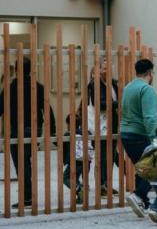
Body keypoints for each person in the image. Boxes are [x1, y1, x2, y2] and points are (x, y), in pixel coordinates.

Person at [0, 57, 55, 209]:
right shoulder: (38, 87)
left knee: (21, 164)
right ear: (31, 70)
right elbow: (48, 110)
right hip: (34, 130)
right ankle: (28, 196)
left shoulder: (11, 88)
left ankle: (27, 197)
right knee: (26, 162)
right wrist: (53, 133)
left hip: (17, 131)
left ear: (17, 69)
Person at [120, 58, 157, 217]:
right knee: (154, 166)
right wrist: (155, 139)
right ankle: (138, 195)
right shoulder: (146, 89)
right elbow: (149, 117)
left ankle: (143, 203)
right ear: (150, 73)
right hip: (140, 134)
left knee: (142, 167)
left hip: (126, 135)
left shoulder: (128, 87)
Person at [77, 61, 120, 196]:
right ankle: (100, 185)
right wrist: (117, 103)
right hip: (99, 126)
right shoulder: (94, 84)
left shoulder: (113, 83)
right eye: (104, 68)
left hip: (111, 125)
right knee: (102, 156)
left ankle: (105, 184)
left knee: (110, 156)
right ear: (99, 70)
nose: (107, 70)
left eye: (109, 67)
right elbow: (99, 104)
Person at [61, 115, 94, 205]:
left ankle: (80, 190)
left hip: (74, 161)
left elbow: (63, 147)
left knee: (66, 178)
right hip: (86, 160)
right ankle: (81, 196)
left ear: (68, 124)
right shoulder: (88, 133)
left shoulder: (68, 134)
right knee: (76, 178)